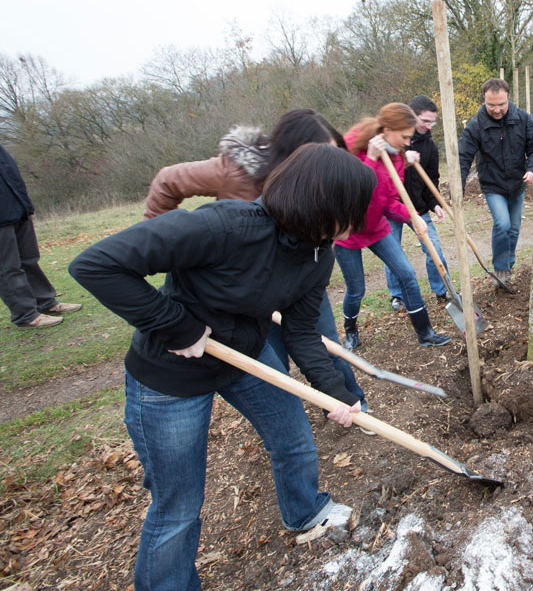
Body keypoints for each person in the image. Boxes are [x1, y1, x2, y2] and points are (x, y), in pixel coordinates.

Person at [69, 144, 377, 590]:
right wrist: (177, 326)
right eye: (350, 210)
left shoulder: (317, 254)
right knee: (178, 506)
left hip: (245, 358)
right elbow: (96, 265)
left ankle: (305, 511)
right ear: (321, 202)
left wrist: (339, 394)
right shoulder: (224, 226)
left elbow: (303, 333)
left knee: (294, 440)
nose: (355, 222)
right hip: (169, 374)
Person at [143, 109, 367, 408]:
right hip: (241, 284)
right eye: (322, 151)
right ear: (295, 151)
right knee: (267, 349)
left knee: (317, 335)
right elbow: (167, 181)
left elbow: (301, 333)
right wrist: (169, 246)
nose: (329, 163)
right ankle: (278, 393)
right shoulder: (237, 171)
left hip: (299, 271)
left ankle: (342, 399)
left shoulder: (319, 202)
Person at [337, 103, 450, 349]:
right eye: (405, 137)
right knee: (356, 289)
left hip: (376, 227)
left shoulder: (396, 157)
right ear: (387, 129)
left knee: (407, 275)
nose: (408, 143)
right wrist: (371, 159)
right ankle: (350, 330)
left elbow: (388, 201)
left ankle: (425, 332)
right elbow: (353, 196)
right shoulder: (352, 146)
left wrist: (412, 216)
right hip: (347, 231)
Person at [459, 78, 533, 283]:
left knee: (513, 228)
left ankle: (508, 265)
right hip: (493, 184)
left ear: (508, 99)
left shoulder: (523, 119)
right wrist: (458, 187)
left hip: (517, 182)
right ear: (485, 100)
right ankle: (501, 269)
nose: (496, 109)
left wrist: (532, 168)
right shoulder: (477, 124)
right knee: (502, 224)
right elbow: (463, 156)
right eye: (491, 105)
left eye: (501, 105)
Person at [0, 143, 82, 329]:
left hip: (16, 207)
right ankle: (25, 315)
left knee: (29, 260)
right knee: (8, 267)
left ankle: (46, 303)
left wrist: (25, 206)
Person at [385, 95, 451, 312]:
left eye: (432, 122)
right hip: (392, 206)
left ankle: (442, 289)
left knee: (435, 249)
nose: (429, 126)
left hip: (418, 208)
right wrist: (403, 160)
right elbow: (381, 171)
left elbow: (431, 179)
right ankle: (397, 295)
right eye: (425, 121)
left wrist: (435, 204)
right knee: (392, 252)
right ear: (411, 115)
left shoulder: (430, 147)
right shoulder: (391, 140)